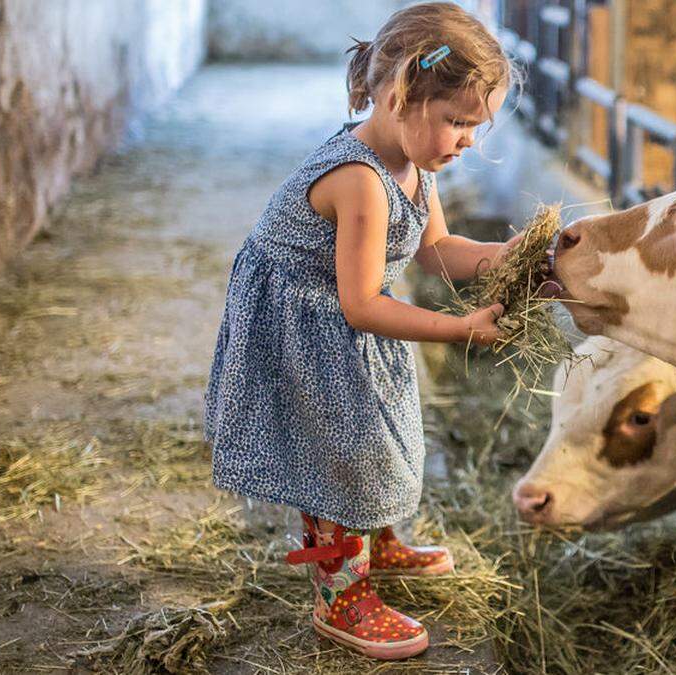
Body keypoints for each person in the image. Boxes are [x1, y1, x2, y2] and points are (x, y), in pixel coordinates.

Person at [203, 2, 519, 660]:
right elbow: (362, 305)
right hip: (306, 326)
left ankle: (376, 538)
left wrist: (506, 256)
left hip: (344, 318)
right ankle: (339, 595)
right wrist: (459, 326)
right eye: (457, 121)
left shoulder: (417, 166)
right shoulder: (361, 183)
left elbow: (435, 251)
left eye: (474, 127)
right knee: (339, 454)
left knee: (384, 434)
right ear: (402, 96)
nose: (466, 140)